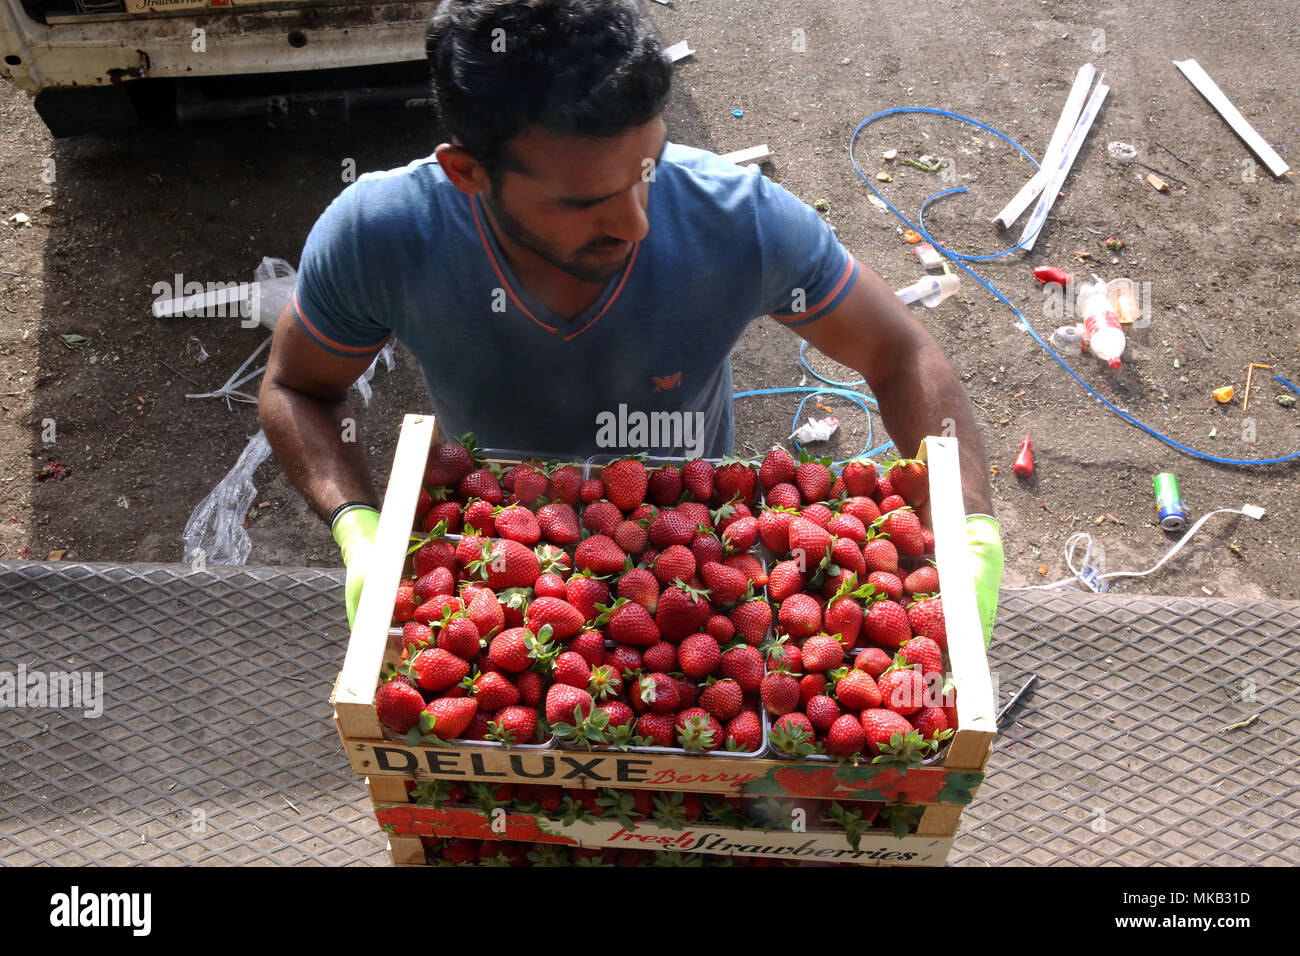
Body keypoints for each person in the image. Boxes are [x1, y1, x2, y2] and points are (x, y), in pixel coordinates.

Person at [258, 0, 1003, 643]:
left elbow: (899, 353)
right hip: (493, 553)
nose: (637, 223)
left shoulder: (737, 223)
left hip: (699, 551)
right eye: (584, 203)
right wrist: (358, 529)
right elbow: (298, 389)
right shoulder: (383, 236)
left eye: (648, 169)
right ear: (467, 172)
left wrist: (970, 530)